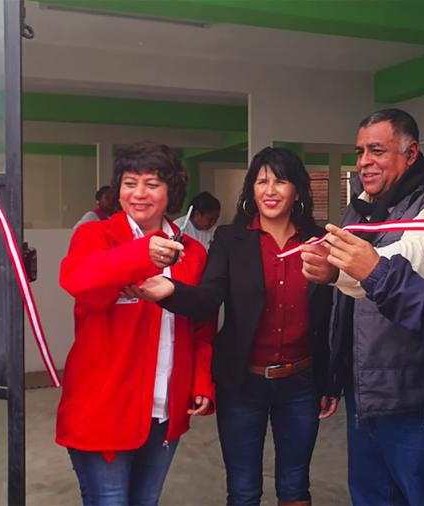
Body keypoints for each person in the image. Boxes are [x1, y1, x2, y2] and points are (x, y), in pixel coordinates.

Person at [125, 147, 335, 506]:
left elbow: (331, 314)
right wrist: (170, 291)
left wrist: (331, 378)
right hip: (242, 383)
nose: (270, 190)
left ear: (297, 190)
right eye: (262, 181)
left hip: (300, 382)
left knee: (296, 485)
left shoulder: (319, 241)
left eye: (280, 181)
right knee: (243, 488)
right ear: (252, 189)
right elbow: (208, 299)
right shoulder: (230, 239)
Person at [300, 108, 424, 505]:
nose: (364, 161)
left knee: (421, 495)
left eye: (376, 150)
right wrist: (333, 377)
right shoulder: (362, 207)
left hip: (411, 397)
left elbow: (417, 261)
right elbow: (343, 309)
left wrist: (342, 267)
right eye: (360, 151)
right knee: (370, 496)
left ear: (410, 154)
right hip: (364, 393)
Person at [56, 141, 216, 506]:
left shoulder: (192, 252)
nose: (139, 193)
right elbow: (78, 279)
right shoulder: (96, 236)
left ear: (171, 191)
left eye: (152, 184)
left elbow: (201, 325)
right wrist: (142, 254)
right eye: (130, 183)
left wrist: (200, 380)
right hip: (104, 408)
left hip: (164, 408)